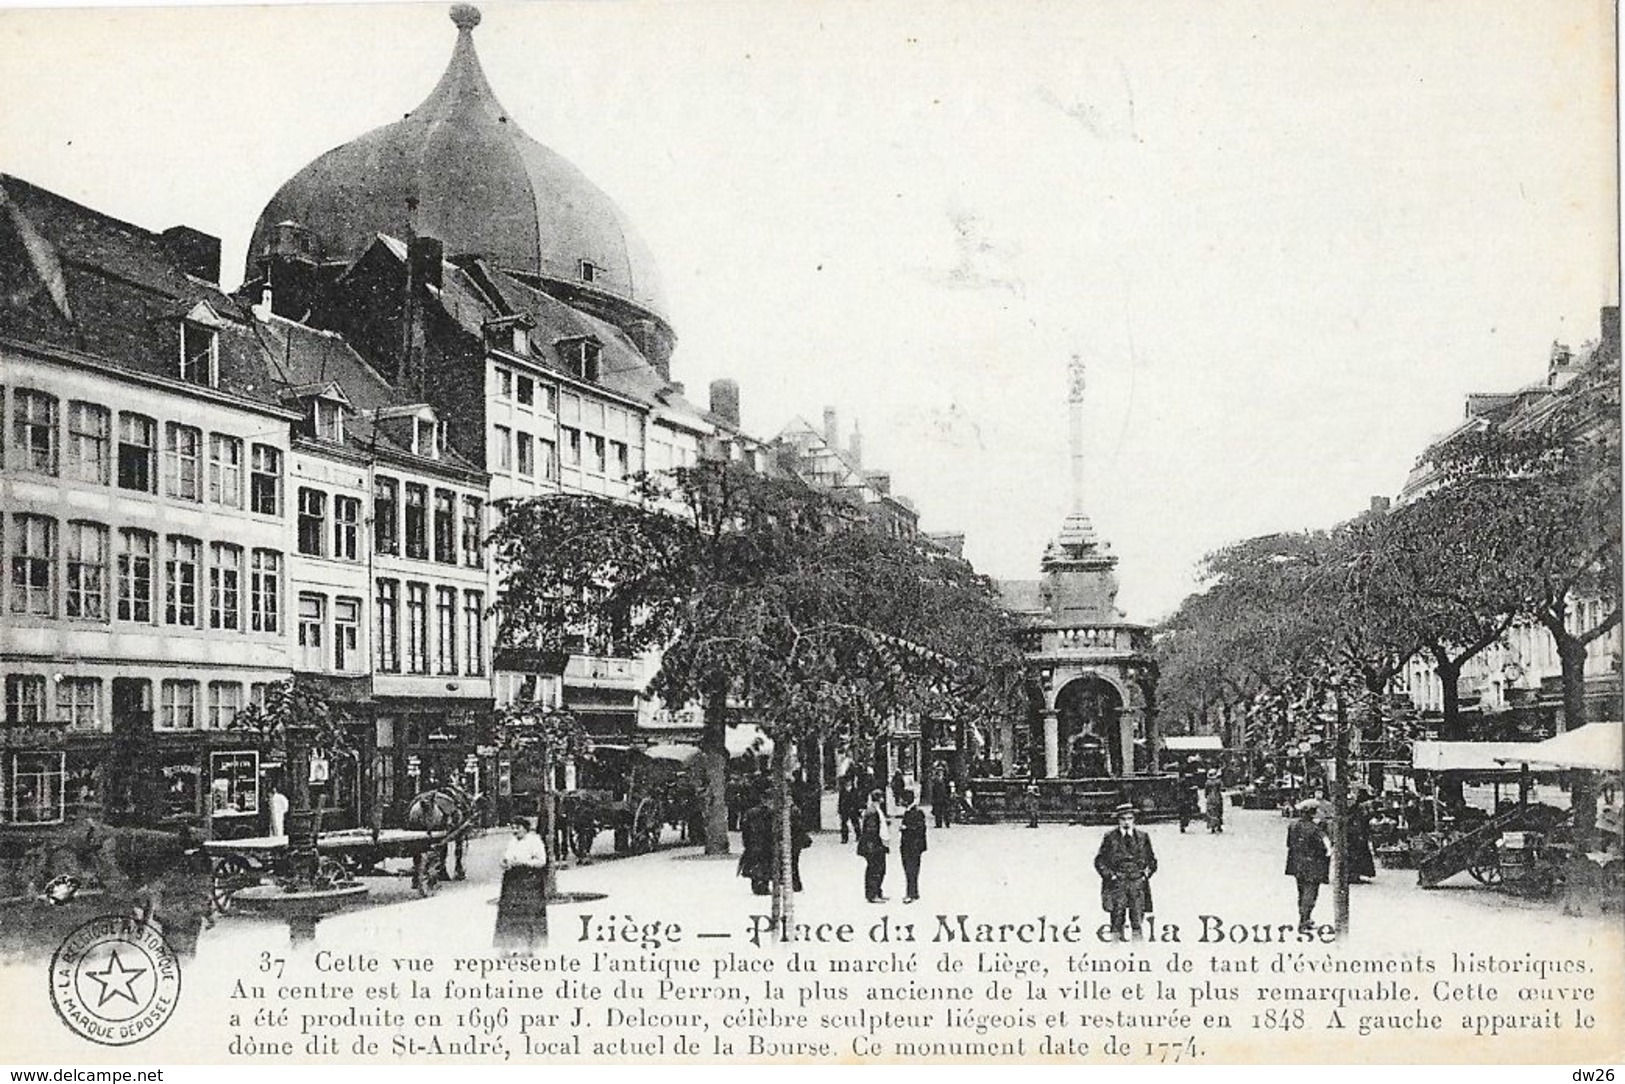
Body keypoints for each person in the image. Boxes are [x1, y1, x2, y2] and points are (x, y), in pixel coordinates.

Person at [1094, 803, 1157, 941]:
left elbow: (1152, 861)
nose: (1126, 822)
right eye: (1123, 819)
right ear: (1118, 820)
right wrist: (1111, 876)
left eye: (1129, 818)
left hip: (1137, 883)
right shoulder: (1110, 837)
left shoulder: (1143, 836)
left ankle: (1138, 950)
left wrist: (1145, 874)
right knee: (1117, 919)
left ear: (1134, 819)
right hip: (1118, 884)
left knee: (1137, 920)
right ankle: (1114, 949)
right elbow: (1099, 861)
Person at [494, 818, 549, 956]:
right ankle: (506, 946)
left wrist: (522, 862)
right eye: (513, 827)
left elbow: (541, 861)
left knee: (527, 913)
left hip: (529, 880)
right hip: (512, 880)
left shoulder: (534, 841)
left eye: (517, 827)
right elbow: (507, 857)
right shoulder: (512, 841)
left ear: (525, 828)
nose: (515, 830)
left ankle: (527, 947)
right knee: (508, 913)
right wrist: (504, 862)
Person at [1285, 799, 1331, 932]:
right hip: (1312, 865)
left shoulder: (1293, 825)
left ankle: (1303, 918)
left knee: (1301, 892)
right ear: (1313, 813)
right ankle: (1304, 920)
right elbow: (1323, 848)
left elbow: (1289, 844)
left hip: (1296, 863)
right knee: (1311, 892)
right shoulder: (1315, 829)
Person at [738, 790, 775, 896]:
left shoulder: (750, 812)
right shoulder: (771, 813)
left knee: (756, 863)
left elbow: (745, 829)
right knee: (765, 864)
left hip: (754, 842)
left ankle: (757, 884)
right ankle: (763, 884)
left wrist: (746, 842)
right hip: (766, 842)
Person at [857, 789, 890, 903]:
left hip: (875, 844)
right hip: (874, 845)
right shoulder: (872, 811)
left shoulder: (874, 809)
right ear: (880, 799)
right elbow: (871, 830)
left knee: (880, 869)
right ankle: (872, 894)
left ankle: (877, 891)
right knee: (875, 869)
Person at [898, 789, 928, 903]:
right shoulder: (911, 811)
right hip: (914, 846)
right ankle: (914, 892)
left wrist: (906, 828)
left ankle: (910, 893)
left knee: (910, 869)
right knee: (913, 869)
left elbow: (920, 829)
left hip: (911, 846)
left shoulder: (915, 812)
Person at [1348, 792, 1377, 884]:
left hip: (1358, 835)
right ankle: (1353, 874)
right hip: (1355, 836)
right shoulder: (1356, 810)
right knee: (1356, 855)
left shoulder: (1359, 809)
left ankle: (1355, 874)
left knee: (1359, 855)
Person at [837, 775, 863, 844]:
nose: (847, 783)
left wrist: (859, 808)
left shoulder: (855, 791)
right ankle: (844, 838)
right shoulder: (842, 791)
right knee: (844, 824)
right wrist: (839, 810)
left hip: (853, 809)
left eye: (849, 782)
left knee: (855, 822)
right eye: (846, 782)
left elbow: (858, 800)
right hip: (845, 809)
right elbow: (840, 801)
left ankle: (858, 835)